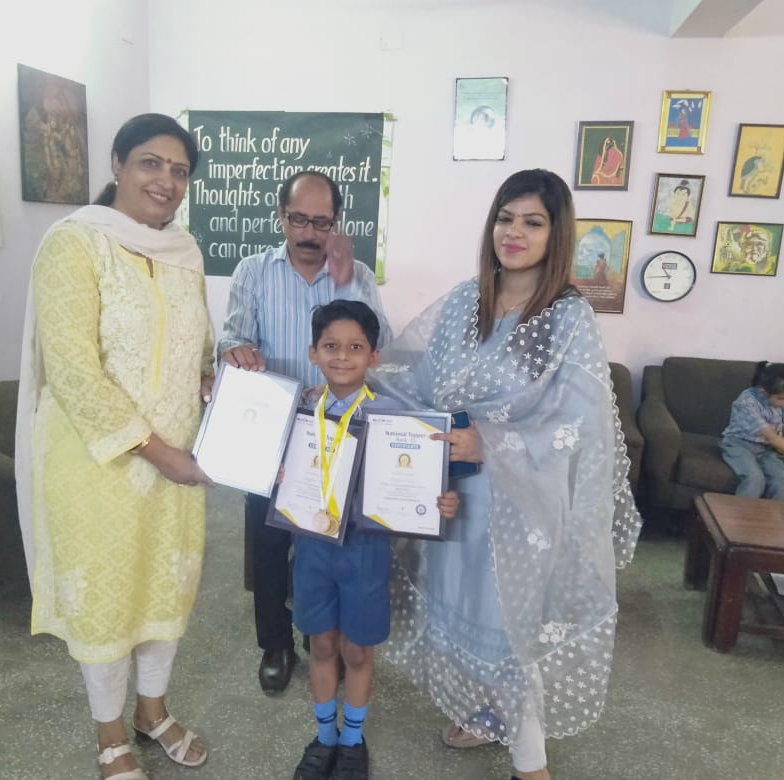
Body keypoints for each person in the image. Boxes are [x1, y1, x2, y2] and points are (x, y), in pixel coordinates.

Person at [367, 169, 642, 780]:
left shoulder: (567, 316)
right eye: (505, 217)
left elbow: (579, 424)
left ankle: (530, 760)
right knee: (462, 605)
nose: (514, 232)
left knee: (509, 623)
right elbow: (421, 385)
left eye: (532, 222)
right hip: (456, 492)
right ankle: (489, 713)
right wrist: (355, 393)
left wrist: (488, 442)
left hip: (521, 499)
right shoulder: (467, 300)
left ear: (556, 234)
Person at [15, 113, 214, 780]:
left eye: (179, 171)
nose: (166, 181)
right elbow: (73, 371)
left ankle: (152, 711)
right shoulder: (74, 243)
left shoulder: (185, 253)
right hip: (96, 463)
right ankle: (110, 733)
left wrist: (215, 377)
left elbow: (197, 348)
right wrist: (158, 452)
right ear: (118, 164)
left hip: (176, 463)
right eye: (151, 163)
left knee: (165, 588)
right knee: (106, 598)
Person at [219, 171, 392, 695]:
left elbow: (380, 343)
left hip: (338, 433)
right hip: (272, 431)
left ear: (336, 223)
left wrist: (348, 283)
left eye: (322, 222)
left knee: (328, 540)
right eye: (299, 219)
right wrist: (233, 350)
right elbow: (231, 337)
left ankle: (324, 640)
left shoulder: (357, 275)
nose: (310, 233)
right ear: (281, 216)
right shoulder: (253, 271)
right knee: (269, 541)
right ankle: (275, 643)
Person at [291, 300, 459, 780]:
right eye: (330, 346)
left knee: (357, 651)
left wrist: (442, 499)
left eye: (355, 347)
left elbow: (426, 477)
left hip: (365, 554)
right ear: (313, 352)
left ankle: (352, 739)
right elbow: (278, 472)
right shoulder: (301, 411)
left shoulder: (397, 418)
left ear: (374, 356)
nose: (342, 357)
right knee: (321, 646)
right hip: (311, 549)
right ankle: (324, 736)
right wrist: (278, 475)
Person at [718, 361, 784, 501]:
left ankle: (772, 515)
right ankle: (738, 514)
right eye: (782, 398)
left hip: (766, 449)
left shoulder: (778, 401)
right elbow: (770, 436)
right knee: (755, 480)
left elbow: (777, 433)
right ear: (764, 392)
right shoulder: (746, 402)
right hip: (739, 445)